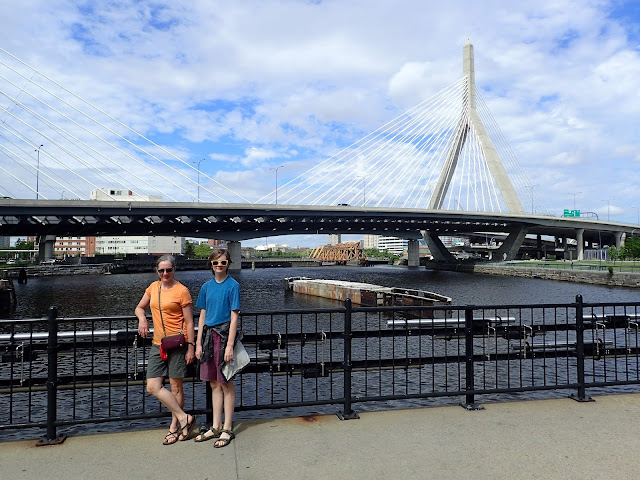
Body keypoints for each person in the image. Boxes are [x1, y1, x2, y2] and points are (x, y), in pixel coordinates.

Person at [135, 255, 197, 445]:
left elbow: (189, 322)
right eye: (161, 270)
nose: (165, 273)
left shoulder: (182, 291)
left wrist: (191, 347)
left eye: (168, 270)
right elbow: (139, 307)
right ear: (157, 271)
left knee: (176, 386)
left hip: (178, 344)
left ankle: (174, 427)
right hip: (158, 344)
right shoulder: (153, 288)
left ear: (174, 270)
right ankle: (184, 417)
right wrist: (142, 319)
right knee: (152, 386)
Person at [194, 249, 240, 448]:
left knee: (226, 382)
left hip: (223, 336)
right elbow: (202, 315)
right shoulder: (206, 287)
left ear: (228, 264)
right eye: (215, 263)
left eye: (223, 262)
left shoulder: (233, 285)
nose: (219, 266)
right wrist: (197, 343)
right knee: (214, 383)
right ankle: (215, 426)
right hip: (207, 337)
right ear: (211, 265)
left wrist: (229, 345)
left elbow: (234, 317)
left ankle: (227, 428)